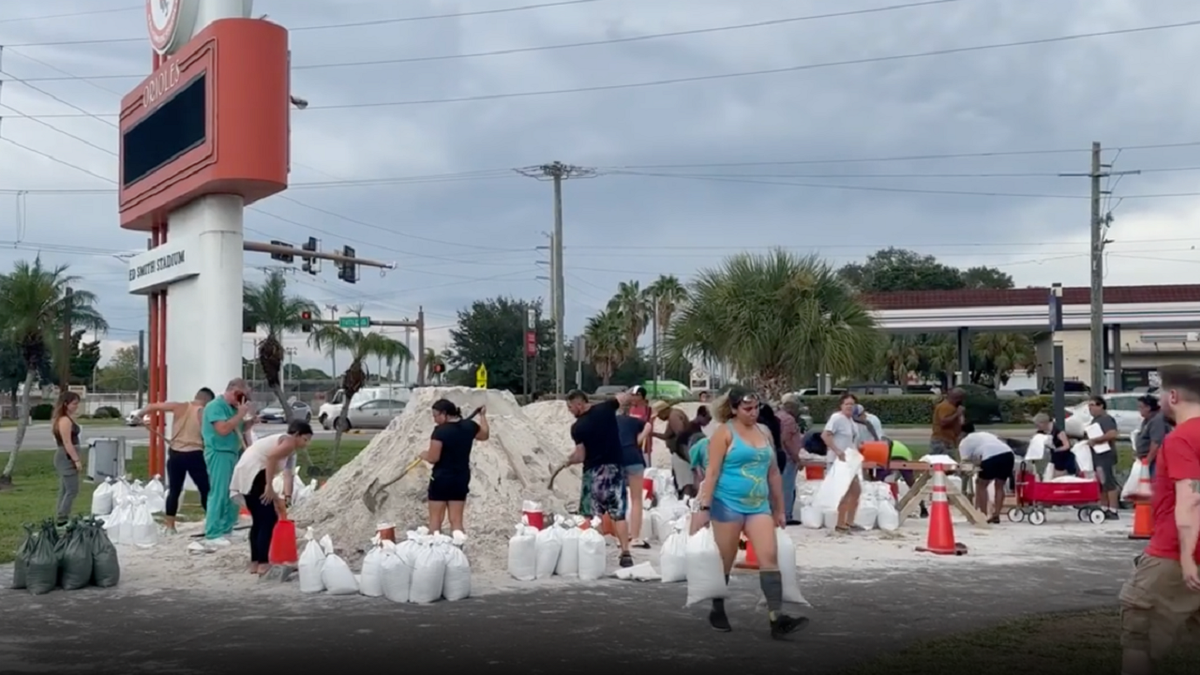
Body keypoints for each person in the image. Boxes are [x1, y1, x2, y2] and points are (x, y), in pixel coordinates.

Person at [693, 387, 806, 638]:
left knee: (769, 557)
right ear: (733, 409)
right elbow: (711, 472)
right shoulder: (723, 433)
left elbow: (773, 471)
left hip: (758, 505)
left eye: (756, 408)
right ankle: (717, 608)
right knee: (726, 558)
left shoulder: (764, 432)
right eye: (747, 409)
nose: (753, 413)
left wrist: (779, 508)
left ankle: (776, 617)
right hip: (727, 503)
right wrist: (704, 507)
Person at [1118, 363, 1200, 675]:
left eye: (1161, 393)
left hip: (1173, 556)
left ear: (1174, 396)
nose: (1158, 399)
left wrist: (1187, 557)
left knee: (1139, 638)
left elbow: (1192, 497)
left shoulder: (1181, 439)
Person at [229, 420, 313, 574]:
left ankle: (255, 562)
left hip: (248, 473)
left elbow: (288, 474)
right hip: (254, 474)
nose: (306, 444)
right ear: (296, 435)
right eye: (305, 439)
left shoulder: (289, 450)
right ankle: (263, 563)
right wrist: (269, 486)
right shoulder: (288, 442)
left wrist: (285, 498)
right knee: (268, 519)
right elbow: (271, 458)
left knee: (259, 520)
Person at [563, 389, 635, 568]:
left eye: (570, 407)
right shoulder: (605, 408)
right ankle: (625, 552)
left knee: (591, 515)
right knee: (618, 514)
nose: (570, 411)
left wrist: (569, 460)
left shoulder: (578, 427)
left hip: (593, 474)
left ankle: (594, 552)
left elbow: (580, 456)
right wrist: (629, 393)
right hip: (615, 470)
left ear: (579, 404)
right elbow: (622, 398)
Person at [136, 387, 216, 533]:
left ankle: (170, 526)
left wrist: (139, 414)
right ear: (207, 400)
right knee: (205, 489)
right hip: (194, 453)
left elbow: (153, 406)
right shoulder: (204, 412)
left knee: (174, 490)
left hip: (176, 454)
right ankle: (211, 522)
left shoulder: (179, 406)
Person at [200, 378, 255, 547]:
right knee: (220, 492)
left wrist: (249, 421)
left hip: (233, 452)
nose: (242, 399)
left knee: (234, 492)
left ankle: (227, 527)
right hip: (219, 452)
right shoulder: (215, 406)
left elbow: (236, 428)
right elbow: (223, 429)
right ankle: (213, 532)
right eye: (240, 395)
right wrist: (240, 414)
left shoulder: (233, 409)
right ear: (232, 391)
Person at [421, 399, 489, 534]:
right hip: (461, 478)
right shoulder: (470, 426)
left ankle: (433, 551)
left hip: (441, 479)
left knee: (436, 520)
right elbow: (484, 435)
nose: (434, 420)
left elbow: (434, 458)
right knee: (456, 520)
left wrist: (425, 455)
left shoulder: (440, 431)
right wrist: (482, 416)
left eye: (435, 416)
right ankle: (458, 550)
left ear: (444, 413)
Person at [822, 393, 864, 533]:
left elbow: (852, 440)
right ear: (841, 405)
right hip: (838, 460)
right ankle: (840, 523)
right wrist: (837, 450)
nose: (850, 407)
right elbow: (825, 435)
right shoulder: (836, 418)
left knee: (856, 490)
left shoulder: (852, 421)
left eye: (852, 404)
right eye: (847, 404)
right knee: (844, 492)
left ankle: (850, 521)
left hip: (851, 459)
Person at [957, 422, 1016, 524]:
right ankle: (996, 514)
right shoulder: (985, 434)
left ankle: (983, 515)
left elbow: (965, 462)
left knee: (981, 485)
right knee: (999, 485)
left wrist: (965, 471)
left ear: (961, 433)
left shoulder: (965, 442)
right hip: (1008, 454)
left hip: (990, 456)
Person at [616, 405, 652, 549]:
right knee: (636, 499)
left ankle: (620, 538)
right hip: (634, 458)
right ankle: (635, 537)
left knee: (619, 499)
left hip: (616, 459)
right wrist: (639, 439)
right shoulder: (633, 421)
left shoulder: (608, 422)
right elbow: (648, 425)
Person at [651, 401, 697, 498]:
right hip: (681, 452)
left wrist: (683, 454)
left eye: (659, 415)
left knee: (684, 480)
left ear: (664, 411)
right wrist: (652, 434)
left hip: (681, 453)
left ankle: (686, 501)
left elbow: (681, 434)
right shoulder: (674, 414)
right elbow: (667, 435)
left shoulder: (673, 417)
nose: (659, 418)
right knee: (681, 479)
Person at [1085, 396, 1120, 520]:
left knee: (1108, 482)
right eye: (1089, 405)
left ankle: (1113, 509)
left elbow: (1112, 434)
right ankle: (1104, 507)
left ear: (1101, 406)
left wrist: (1096, 440)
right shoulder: (1095, 420)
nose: (1090, 408)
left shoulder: (1106, 419)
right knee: (1101, 482)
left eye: (1093, 405)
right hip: (1097, 455)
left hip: (1105, 455)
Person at [51, 392, 83, 525]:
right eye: (74, 404)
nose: (76, 406)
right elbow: (67, 442)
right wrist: (76, 460)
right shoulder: (64, 420)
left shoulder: (67, 418)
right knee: (72, 489)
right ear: (66, 404)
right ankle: (62, 517)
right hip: (66, 457)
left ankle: (60, 514)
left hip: (67, 455)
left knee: (64, 489)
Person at [778, 400, 806, 525]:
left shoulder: (778, 416)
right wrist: (796, 458)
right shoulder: (789, 420)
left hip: (778, 456)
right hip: (788, 457)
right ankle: (787, 514)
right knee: (787, 487)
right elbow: (786, 439)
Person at [1135, 395, 1170, 479]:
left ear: (1148, 407)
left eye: (1141, 407)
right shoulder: (1147, 419)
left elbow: (1156, 443)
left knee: (1153, 482)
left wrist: (1148, 460)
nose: (1139, 410)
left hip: (1155, 460)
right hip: (1145, 457)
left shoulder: (1157, 420)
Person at [1032, 412, 1075, 477]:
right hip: (1051, 457)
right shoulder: (1041, 432)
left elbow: (1067, 446)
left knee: (1057, 476)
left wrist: (1056, 449)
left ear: (1044, 423)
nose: (1037, 427)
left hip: (1063, 457)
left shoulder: (1058, 431)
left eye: (1038, 425)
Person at [931, 388, 966, 457]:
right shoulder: (946, 407)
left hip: (949, 440)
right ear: (957, 398)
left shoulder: (953, 407)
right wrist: (957, 414)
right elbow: (943, 422)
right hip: (942, 441)